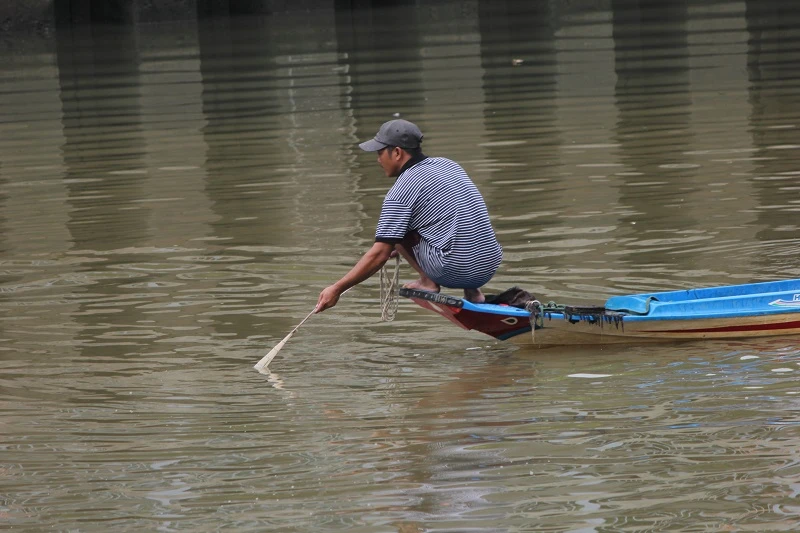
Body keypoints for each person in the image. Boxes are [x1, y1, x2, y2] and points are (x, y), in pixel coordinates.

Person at [316, 119, 502, 313]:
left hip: (452, 271)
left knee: (394, 233)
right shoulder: (448, 165)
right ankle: (474, 293)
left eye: (380, 153)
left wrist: (337, 288)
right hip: (489, 265)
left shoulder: (402, 189)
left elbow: (379, 254)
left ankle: (428, 282)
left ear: (397, 153)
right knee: (459, 217)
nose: (378, 160)